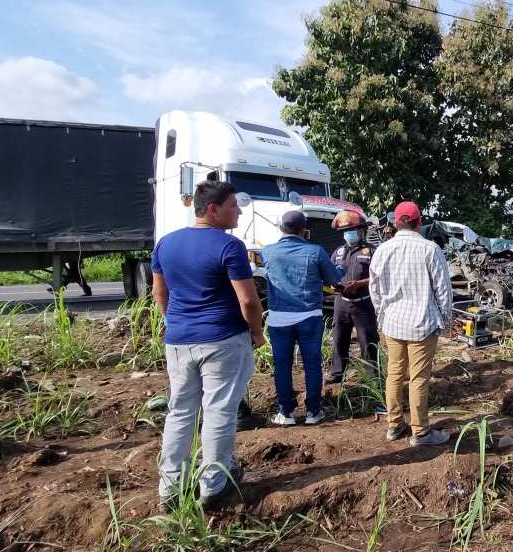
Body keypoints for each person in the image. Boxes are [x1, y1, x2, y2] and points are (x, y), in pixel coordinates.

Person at [151, 181, 264, 511]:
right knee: (219, 410)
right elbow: (248, 300)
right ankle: (215, 484)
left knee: (180, 411)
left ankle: (171, 486)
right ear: (212, 210)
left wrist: (174, 322)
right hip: (222, 340)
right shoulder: (230, 246)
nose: (239, 211)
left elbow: (160, 293)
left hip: (179, 341)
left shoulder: (166, 244)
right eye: (233, 205)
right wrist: (257, 333)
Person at [369, 201, 454, 446]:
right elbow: (443, 290)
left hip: (393, 323)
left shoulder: (382, 250)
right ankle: (421, 432)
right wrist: (446, 320)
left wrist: (381, 315)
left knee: (394, 374)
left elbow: (374, 288)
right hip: (422, 324)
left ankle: (394, 426)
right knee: (418, 378)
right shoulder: (430, 249)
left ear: (395, 223)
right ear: (419, 222)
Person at [262, 211, 343, 426]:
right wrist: (341, 268)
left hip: (279, 317)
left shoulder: (268, 251)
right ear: (304, 230)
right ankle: (313, 412)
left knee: (282, 365)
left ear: (281, 228)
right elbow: (334, 279)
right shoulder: (315, 251)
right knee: (312, 364)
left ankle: (286, 413)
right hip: (309, 315)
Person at [327, 210, 381, 389]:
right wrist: (333, 284)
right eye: (345, 231)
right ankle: (337, 373)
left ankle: (373, 378)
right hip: (341, 303)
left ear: (361, 231)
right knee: (339, 339)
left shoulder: (372, 251)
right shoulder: (338, 251)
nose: (347, 234)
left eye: (351, 230)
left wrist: (359, 284)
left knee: (368, 341)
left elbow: (379, 277)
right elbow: (329, 272)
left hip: (363, 303)